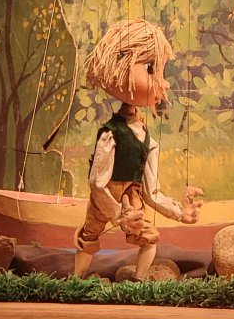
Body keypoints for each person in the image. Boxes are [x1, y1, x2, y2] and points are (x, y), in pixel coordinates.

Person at [73, 18, 204, 281]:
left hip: (132, 198)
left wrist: (180, 212)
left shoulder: (148, 140)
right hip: (107, 199)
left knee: (149, 237)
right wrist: (117, 213)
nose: (164, 83)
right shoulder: (111, 133)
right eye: (151, 68)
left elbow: (151, 191)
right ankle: (75, 280)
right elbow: (97, 183)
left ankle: (139, 281)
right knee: (89, 235)